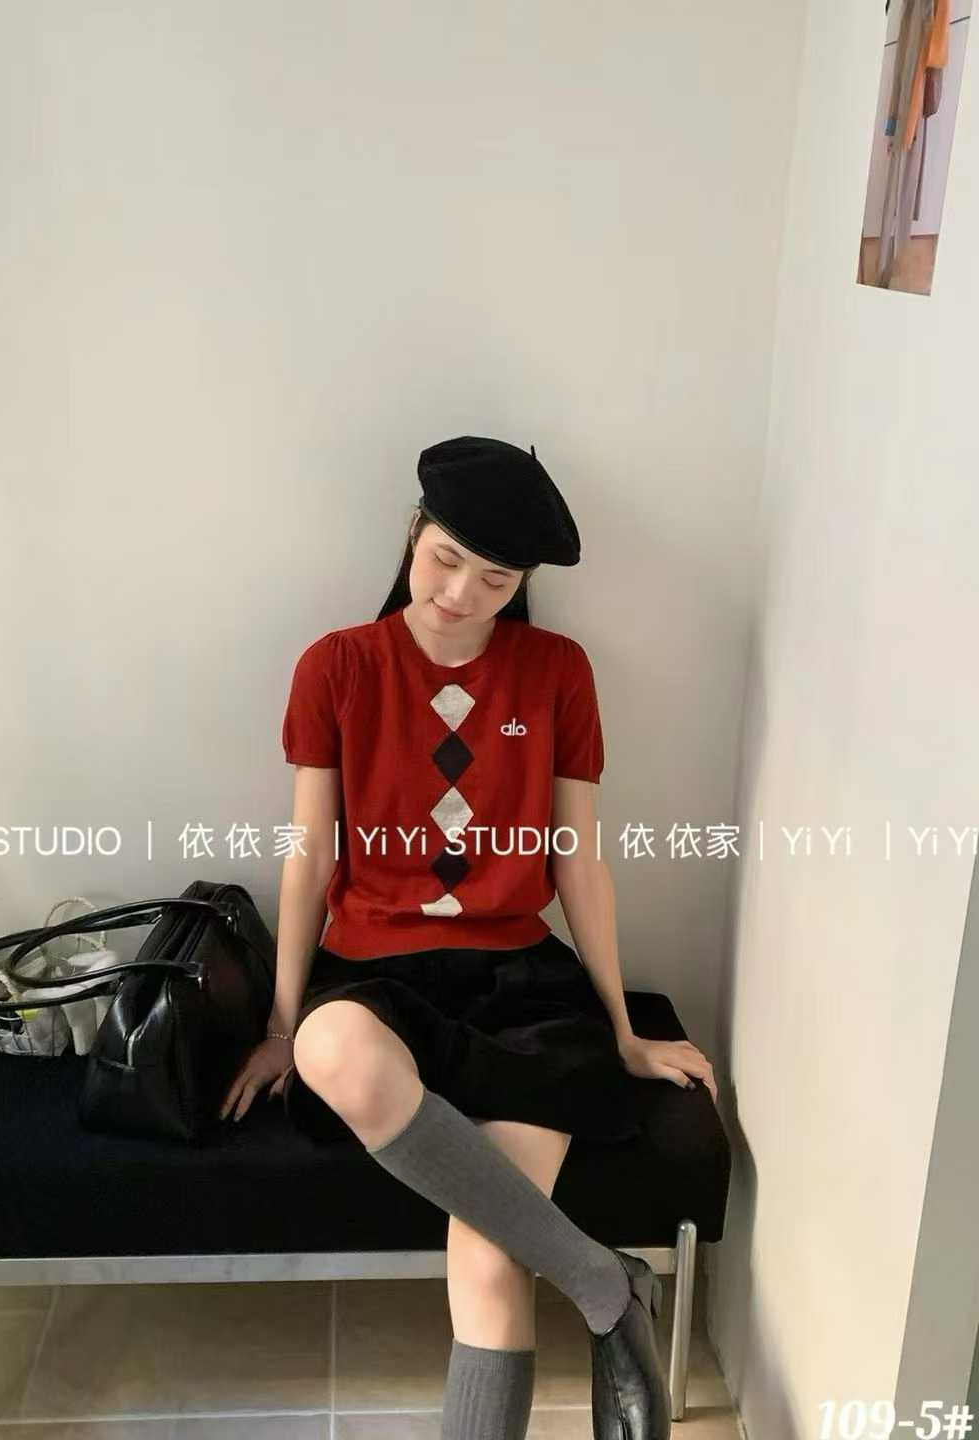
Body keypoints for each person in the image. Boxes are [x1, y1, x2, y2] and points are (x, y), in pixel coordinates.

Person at [221, 436, 717, 1440]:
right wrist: (279, 1024)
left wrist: (621, 1031)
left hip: (519, 987)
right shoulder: (337, 666)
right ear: (414, 533)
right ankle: (605, 1282)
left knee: (490, 1253)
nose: (460, 595)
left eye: (495, 580)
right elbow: (308, 861)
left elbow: (578, 861)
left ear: (523, 583)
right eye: (445, 559)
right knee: (328, 1049)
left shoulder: (557, 672)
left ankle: (594, 1292)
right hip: (377, 976)